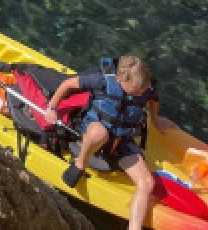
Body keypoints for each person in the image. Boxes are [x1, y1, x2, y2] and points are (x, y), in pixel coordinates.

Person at [43, 55, 176, 230]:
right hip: (94, 129)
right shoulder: (102, 81)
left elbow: (154, 98)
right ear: (120, 80)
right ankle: (81, 163)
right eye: (135, 91)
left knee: (147, 183)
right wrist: (52, 107)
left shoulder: (144, 87)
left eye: (142, 89)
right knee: (100, 133)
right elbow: (68, 84)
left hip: (122, 140)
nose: (140, 93)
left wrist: (156, 120)